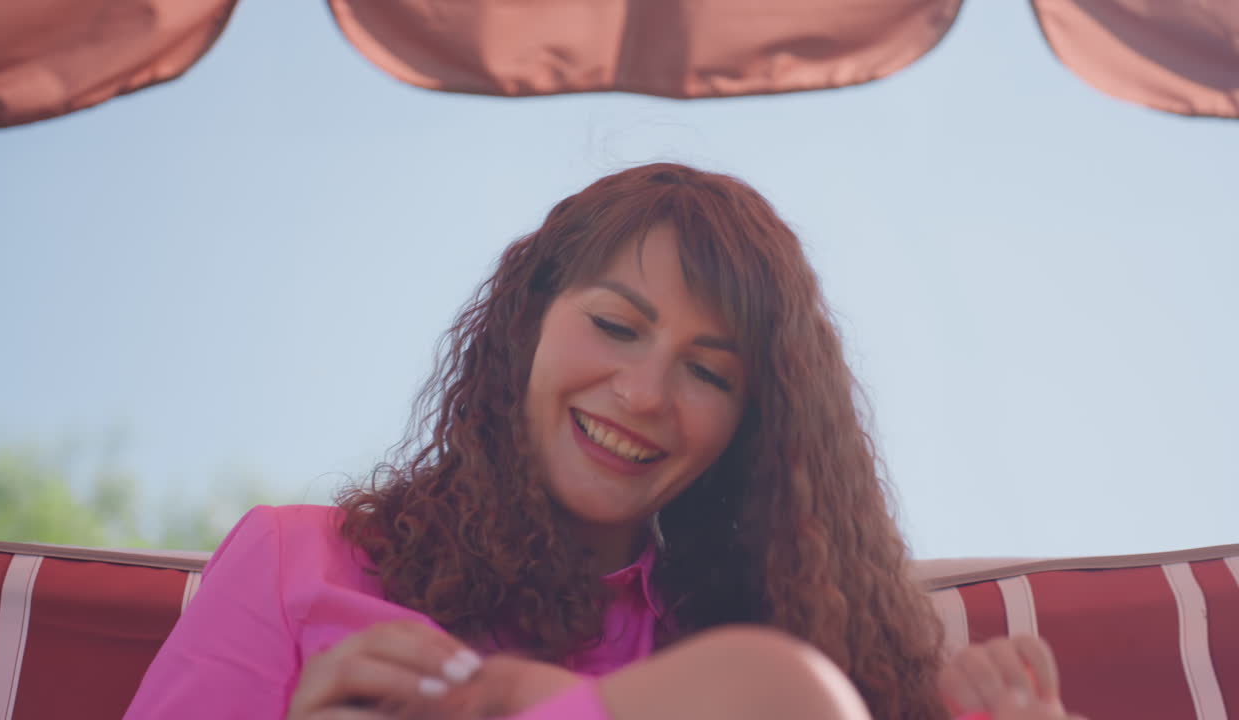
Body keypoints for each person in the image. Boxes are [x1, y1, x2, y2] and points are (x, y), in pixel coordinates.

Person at [124, 163, 1081, 720]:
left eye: (709, 373)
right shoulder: (298, 560)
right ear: (527, 322)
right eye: (616, 327)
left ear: (752, 429)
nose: (645, 394)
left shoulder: (785, 638)